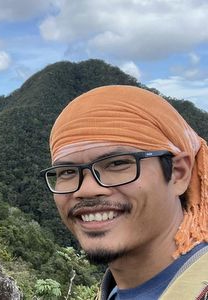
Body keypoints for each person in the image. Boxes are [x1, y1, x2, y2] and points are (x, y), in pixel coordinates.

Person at [39, 85, 208, 299]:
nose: (87, 189)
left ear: (178, 173)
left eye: (117, 163)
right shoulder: (113, 291)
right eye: (67, 171)